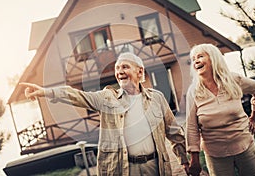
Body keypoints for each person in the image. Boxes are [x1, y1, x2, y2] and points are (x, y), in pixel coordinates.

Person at [20, 52, 189, 176]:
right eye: (117, 68)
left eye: (125, 67)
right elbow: (77, 95)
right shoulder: (107, 98)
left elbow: (174, 132)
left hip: (156, 166)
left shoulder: (157, 98)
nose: (119, 71)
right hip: (125, 169)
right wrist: (46, 92)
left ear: (140, 72)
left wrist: (186, 160)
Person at [186, 44, 255, 176]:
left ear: (213, 58)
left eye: (200, 56)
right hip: (215, 154)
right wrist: (194, 159)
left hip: (245, 146)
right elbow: (192, 126)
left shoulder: (233, 79)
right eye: (193, 59)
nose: (196, 61)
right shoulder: (193, 91)